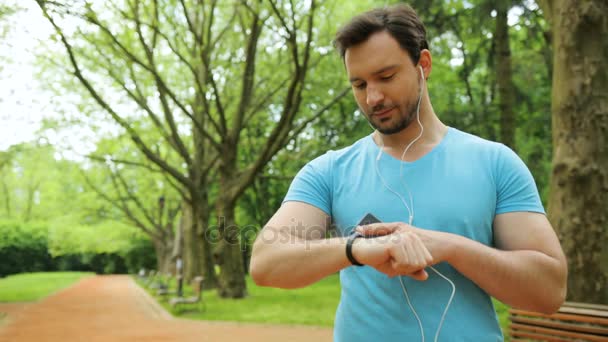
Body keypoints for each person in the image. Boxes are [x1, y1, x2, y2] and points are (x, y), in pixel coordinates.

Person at [249, 4, 567, 341]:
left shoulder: (496, 163)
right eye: (359, 84)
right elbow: (266, 261)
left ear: (423, 65)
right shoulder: (328, 171)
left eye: (386, 77)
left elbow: (549, 291)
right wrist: (354, 250)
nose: (373, 97)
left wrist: (450, 247)